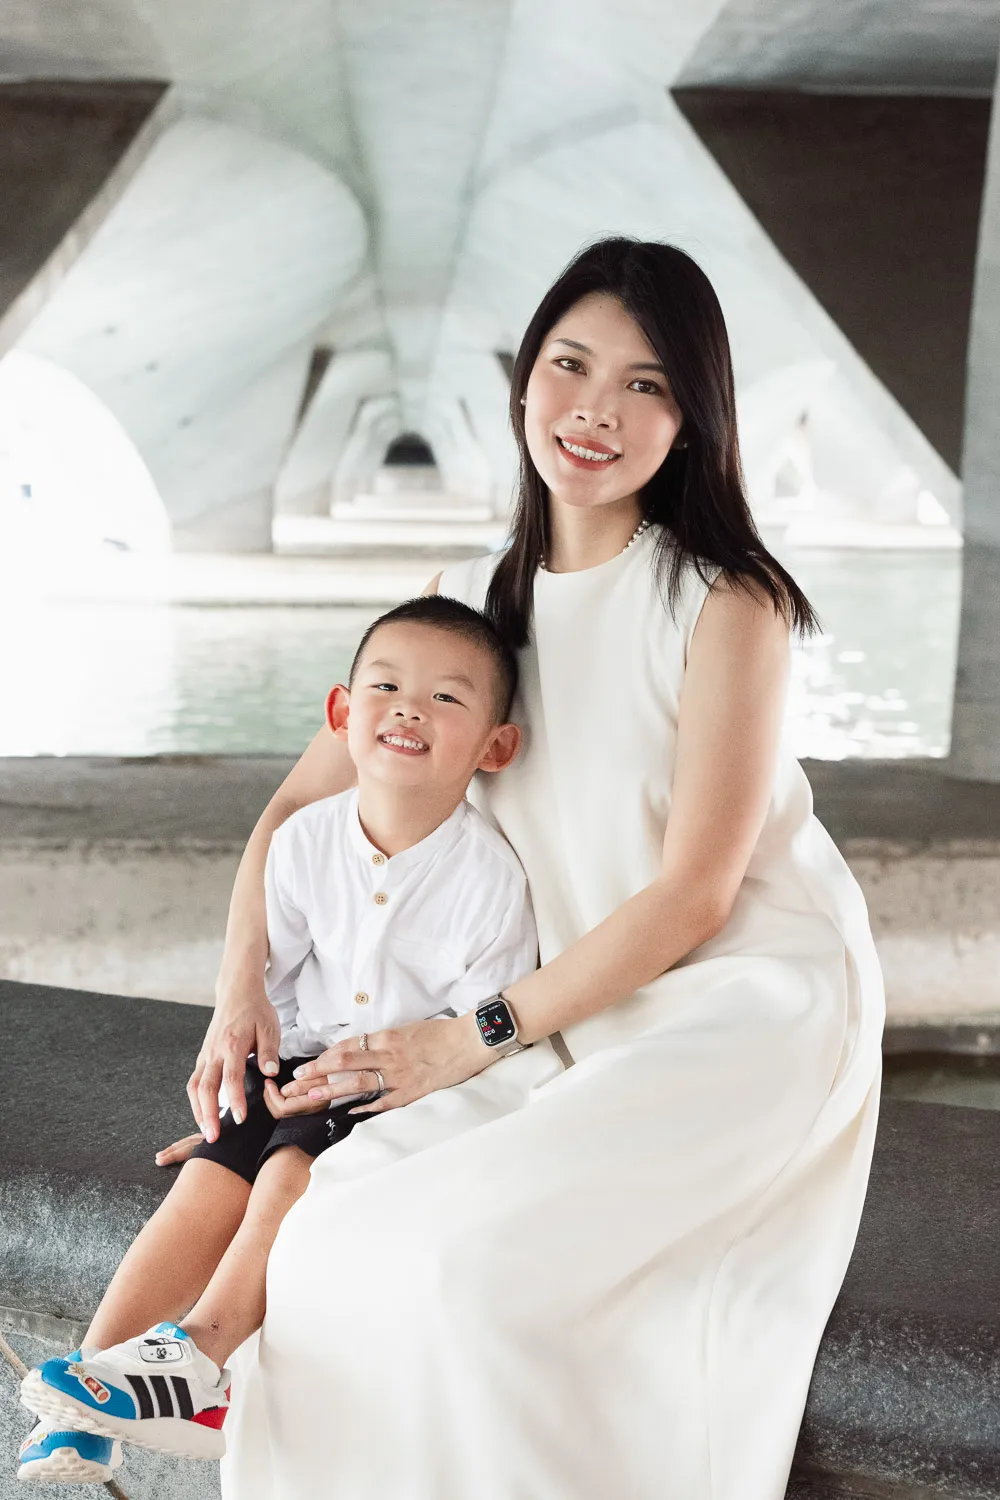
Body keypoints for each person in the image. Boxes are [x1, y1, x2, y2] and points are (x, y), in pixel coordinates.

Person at [169, 237, 882, 1500]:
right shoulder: (468, 607)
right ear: (521, 386)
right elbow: (296, 805)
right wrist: (243, 993)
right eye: (570, 364)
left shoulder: (729, 603)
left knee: (465, 1275)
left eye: (647, 384)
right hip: (553, 1009)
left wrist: (468, 1036)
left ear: (693, 419)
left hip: (729, 1005)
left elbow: (697, 895)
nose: (596, 409)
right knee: (328, 1243)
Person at [17, 597, 559, 1486]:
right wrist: (256, 1092)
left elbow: (472, 1033)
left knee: (285, 1171)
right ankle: (88, 1388)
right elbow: (273, 990)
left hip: (397, 1085)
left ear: (494, 748)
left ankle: (202, 1357)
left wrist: (346, 1091)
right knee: (209, 1176)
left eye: (447, 699)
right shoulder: (303, 842)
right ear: (344, 714)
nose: (410, 708)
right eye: (386, 686)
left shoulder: (488, 878)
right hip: (304, 1068)